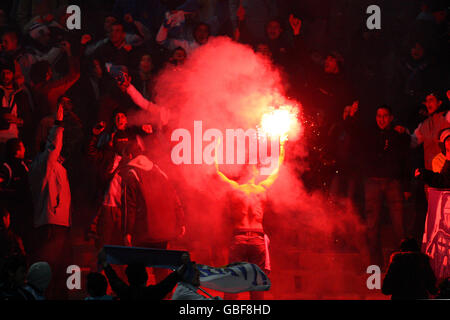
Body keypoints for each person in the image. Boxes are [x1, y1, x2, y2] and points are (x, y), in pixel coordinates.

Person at [216, 138, 285, 300]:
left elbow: (216, 172)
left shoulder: (234, 189)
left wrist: (216, 149)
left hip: (239, 238)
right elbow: (277, 170)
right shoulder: (262, 189)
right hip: (257, 239)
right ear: (255, 173)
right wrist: (282, 147)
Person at [120, 137, 186, 283]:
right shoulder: (159, 171)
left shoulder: (131, 174)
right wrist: (181, 222)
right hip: (162, 231)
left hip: (143, 230)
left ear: (129, 156)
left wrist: (127, 232)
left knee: (138, 269)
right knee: (161, 268)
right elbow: (175, 198)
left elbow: (128, 206)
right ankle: (165, 296)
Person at [28, 103, 71, 299]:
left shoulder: (50, 166)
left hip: (55, 222)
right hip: (50, 222)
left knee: (56, 267)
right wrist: (59, 124)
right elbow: (53, 146)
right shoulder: (44, 164)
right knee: (50, 267)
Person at [362, 105, 411, 266]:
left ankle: (403, 265)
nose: (381, 119)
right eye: (378, 116)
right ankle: (375, 266)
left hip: (393, 182)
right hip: (373, 182)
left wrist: (407, 187)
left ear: (391, 117)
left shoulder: (398, 135)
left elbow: (405, 161)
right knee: (372, 226)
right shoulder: (369, 134)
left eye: (384, 116)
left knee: (399, 225)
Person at [97, 249, 189, 300]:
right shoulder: (153, 293)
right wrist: (183, 265)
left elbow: (114, 280)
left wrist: (105, 263)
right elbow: (168, 283)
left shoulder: (125, 293)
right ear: (146, 277)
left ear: (128, 278)